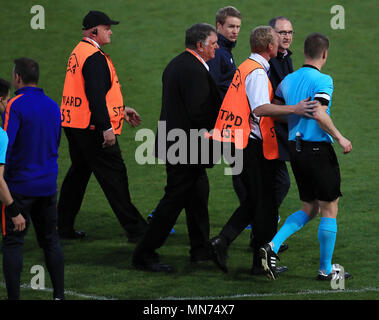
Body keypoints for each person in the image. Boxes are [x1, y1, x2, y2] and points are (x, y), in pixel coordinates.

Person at [208, 26, 317, 275]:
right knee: (265, 203)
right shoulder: (257, 73)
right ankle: (255, 260)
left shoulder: (247, 66)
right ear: (269, 47)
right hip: (253, 146)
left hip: (243, 143)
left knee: (258, 201)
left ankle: (224, 243)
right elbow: (260, 109)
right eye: (278, 39)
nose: (282, 42)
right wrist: (294, 110)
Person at [260, 33, 352, 281]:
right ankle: (325, 269)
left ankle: (271, 246)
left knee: (310, 208)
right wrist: (340, 137)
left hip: (296, 150)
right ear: (325, 54)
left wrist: (294, 115)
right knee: (329, 208)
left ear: (304, 52)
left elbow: (276, 112)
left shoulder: (287, 81)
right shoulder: (323, 79)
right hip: (318, 151)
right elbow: (320, 112)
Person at [132, 23, 222, 272]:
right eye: (213, 43)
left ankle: (200, 250)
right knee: (173, 201)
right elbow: (198, 110)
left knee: (198, 195)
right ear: (199, 45)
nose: (217, 47)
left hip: (178, 144)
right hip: (187, 148)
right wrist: (221, 125)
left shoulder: (177, 64)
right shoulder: (193, 70)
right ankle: (144, 253)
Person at [58, 10, 147, 241]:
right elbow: (95, 96)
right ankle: (137, 230)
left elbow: (91, 94)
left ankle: (62, 226)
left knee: (77, 175)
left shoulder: (80, 52)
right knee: (114, 176)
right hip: (92, 129)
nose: (111, 31)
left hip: (74, 123)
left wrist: (120, 109)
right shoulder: (95, 57)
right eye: (107, 28)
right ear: (94, 30)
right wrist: (106, 128)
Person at [1, 58, 64, 300]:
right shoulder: (52, 105)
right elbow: (56, 142)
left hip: (19, 187)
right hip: (47, 185)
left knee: (13, 243)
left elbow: (5, 144)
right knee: (50, 241)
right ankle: (59, 296)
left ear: (17, 78)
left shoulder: (14, 105)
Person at [208, 6, 241, 99]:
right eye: (231, 27)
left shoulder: (226, 49)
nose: (235, 31)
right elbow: (211, 88)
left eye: (238, 27)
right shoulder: (216, 52)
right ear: (219, 26)